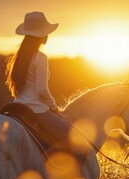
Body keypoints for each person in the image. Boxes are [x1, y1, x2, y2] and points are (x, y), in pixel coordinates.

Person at [6, 11, 83, 157]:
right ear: (41, 34)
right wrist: (54, 107)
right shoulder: (40, 57)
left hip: (18, 107)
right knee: (73, 138)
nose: (48, 35)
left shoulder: (19, 57)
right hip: (36, 110)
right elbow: (41, 89)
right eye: (46, 32)